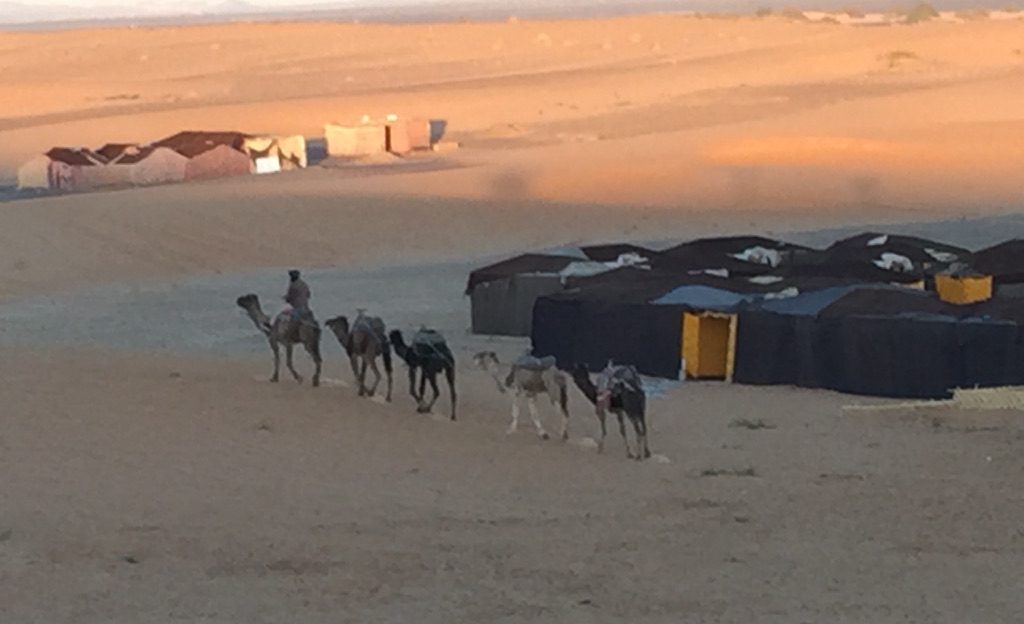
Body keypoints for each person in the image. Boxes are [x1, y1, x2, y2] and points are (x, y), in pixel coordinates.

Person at [284, 269, 313, 333]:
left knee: (286, 320)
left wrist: (286, 298)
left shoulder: (293, 285)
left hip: (297, 308)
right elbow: (308, 295)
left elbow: (289, 297)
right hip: (306, 308)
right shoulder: (304, 284)